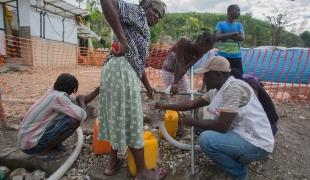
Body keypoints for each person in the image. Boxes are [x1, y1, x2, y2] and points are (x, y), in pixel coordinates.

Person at [155, 56, 274, 180]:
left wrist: (193, 122)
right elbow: (192, 104)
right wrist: (164, 106)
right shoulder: (218, 90)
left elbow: (221, 126)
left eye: (206, 75)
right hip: (244, 132)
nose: (204, 79)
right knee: (205, 129)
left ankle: (239, 173)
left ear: (218, 75)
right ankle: (236, 156)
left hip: (256, 142)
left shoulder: (233, 89)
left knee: (206, 139)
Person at [98, 0, 167, 179]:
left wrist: (148, 87)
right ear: (145, 5)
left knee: (119, 115)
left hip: (114, 71)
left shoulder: (141, 26)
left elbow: (137, 63)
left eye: (160, 16)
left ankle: (112, 164)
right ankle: (143, 172)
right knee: (132, 119)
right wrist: (121, 38)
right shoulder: (136, 12)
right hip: (122, 71)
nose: (157, 17)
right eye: (156, 11)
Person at [17, 73, 98, 157]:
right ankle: (43, 152)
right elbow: (82, 116)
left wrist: (98, 90)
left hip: (26, 142)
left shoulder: (53, 94)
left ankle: (49, 146)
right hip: (31, 147)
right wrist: (83, 104)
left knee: (69, 115)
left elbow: (80, 100)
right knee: (74, 121)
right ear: (72, 89)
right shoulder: (59, 98)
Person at [230, 68, 279, 135]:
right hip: (268, 122)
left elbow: (252, 105)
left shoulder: (249, 86)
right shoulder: (246, 80)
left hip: (269, 126)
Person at [216, 4, 245, 75]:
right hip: (222, 55)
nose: (239, 13)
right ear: (230, 11)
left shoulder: (239, 25)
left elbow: (242, 38)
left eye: (239, 11)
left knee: (238, 77)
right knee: (221, 76)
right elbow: (218, 37)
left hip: (236, 56)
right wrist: (234, 34)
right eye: (237, 10)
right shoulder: (220, 24)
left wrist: (225, 35)